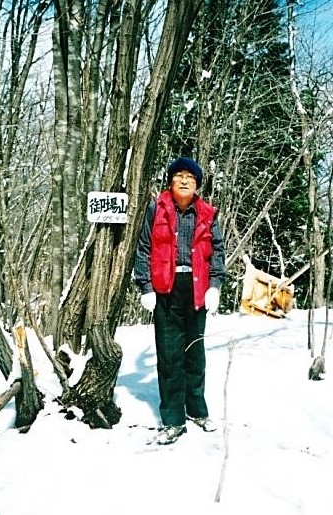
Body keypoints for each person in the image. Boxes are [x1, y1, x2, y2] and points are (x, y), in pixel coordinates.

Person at [134, 156, 226, 445]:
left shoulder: (208, 213)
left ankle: (197, 410)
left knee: (195, 353)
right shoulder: (156, 209)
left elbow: (218, 251)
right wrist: (145, 287)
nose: (184, 180)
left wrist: (215, 286)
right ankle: (173, 420)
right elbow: (144, 248)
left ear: (197, 183)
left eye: (190, 176)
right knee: (170, 355)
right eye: (179, 176)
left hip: (196, 288)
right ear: (171, 182)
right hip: (165, 288)